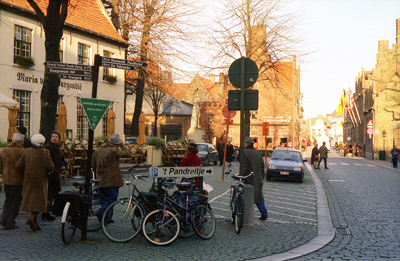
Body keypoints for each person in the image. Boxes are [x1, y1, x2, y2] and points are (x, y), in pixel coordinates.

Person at [16, 134, 54, 232]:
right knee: (40, 200)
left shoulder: (26, 151)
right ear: (42, 142)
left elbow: (19, 165)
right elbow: (50, 166)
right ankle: (32, 217)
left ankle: (35, 224)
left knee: (32, 200)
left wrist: (26, 172)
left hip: (29, 179)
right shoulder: (45, 152)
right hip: (40, 179)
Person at [92, 133, 130, 221]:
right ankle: (101, 212)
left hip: (101, 178)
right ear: (117, 143)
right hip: (112, 179)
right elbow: (127, 154)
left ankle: (106, 218)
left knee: (103, 198)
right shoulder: (114, 150)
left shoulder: (98, 150)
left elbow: (93, 165)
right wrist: (122, 144)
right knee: (112, 199)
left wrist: (96, 175)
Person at [0, 133, 25, 229]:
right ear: (20, 141)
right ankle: (10, 221)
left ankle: (4, 219)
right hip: (17, 179)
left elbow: (0, 165)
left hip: (7, 179)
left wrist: (3, 173)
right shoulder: (22, 151)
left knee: (8, 199)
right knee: (16, 200)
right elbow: (23, 166)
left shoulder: (4, 150)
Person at [242, 137, 268, 220]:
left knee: (248, 195)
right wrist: (262, 175)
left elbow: (244, 166)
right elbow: (262, 165)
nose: (244, 144)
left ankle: (244, 214)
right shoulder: (257, 152)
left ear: (247, 144)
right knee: (258, 196)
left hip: (249, 178)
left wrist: (242, 176)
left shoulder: (245, 152)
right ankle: (264, 213)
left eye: (245, 143)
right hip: (258, 177)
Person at [43, 131, 66, 221]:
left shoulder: (57, 148)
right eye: (53, 136)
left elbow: (61, 159)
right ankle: (46, 212)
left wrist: (62, 164)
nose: (54, 138)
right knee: (50, 195)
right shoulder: (47, 147)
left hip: (56, 173)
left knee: (53, 194)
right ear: (50, 138)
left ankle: (48, 211)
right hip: (51, 174)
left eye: (56, 137)